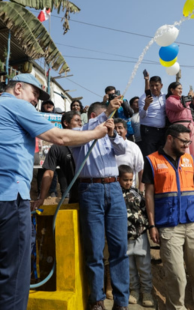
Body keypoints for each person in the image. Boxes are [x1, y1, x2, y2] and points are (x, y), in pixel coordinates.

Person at [0, 74, 108, 310]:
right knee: (16, 276)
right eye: (35, 94)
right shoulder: (15, 104)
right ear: (19, 88)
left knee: (9, 269)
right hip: (7, 196)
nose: (35, 101)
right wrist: (97, 133)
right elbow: (59, 136)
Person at [144, 124, 194, 310]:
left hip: (192, 224)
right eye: (183, 141)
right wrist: (152, 226)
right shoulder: (152, 160)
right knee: (176, 277)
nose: (187, 145)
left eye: (189, 142)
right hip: (168, 227)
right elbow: (148, 195)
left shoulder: (190, 160)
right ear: (170, 138)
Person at [71, 98, 130, 310]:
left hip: (114, 189)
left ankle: (121, 302)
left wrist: (113, 133)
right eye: (106, 117)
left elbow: (123, 150)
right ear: (96, 117)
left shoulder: (110, 136)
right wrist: (107, 114)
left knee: (119, 248)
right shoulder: (81, 134)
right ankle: (96, 300)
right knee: (95, 249)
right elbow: (84, 131)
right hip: (90, 190)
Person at [117, 165, 154, 307]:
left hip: (140, 236)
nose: (128, 182)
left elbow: (145, 210)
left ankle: (147, 292)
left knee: (144, 266)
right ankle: (134, 291)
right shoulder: (115, 195)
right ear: (118, 179)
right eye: (125, 180)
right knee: (129, 267)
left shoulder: (137, 194)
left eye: (131, 180)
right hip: (124, 237)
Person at [31, 111, 83, 208]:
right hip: (75, 197)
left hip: (92, 194)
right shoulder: (57, 148)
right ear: (66, 123)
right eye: (77, 120)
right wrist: (42, 198)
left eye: (81, 121)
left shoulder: (87, 141)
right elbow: (49, 173)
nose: (80, 123)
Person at [165, 82, 194, 172]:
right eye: (179, 88)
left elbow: (189, 116)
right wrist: (189, 98)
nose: (181, 90)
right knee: (185, 152)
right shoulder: (170, 100)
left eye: (181, 88)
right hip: (179, 127)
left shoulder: (184, 99)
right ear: (172, 90)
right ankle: (185, 175)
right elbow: (179, 107)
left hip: (190, 127)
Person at [139, 73, 167, 156]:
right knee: (150, 156)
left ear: (161, 85)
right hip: (148, 131)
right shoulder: (144, 98)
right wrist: (146, 105)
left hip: (162, 131)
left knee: (162, 155)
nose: (154, 88)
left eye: (156, 85)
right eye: (151, 86)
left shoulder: (165, 97)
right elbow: (141, 115)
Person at [114, 118, 144, 190]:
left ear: (126, 131)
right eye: (114, 128)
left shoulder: (133, 147)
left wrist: (141, 191)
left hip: (129, 191)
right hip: (111, 189)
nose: (117, 130)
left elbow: (141, 170)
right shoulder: (107, 146)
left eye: (120, 128)